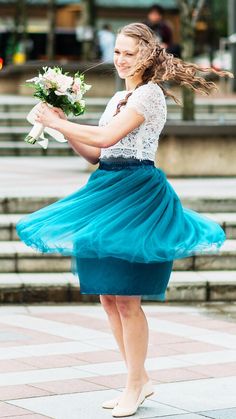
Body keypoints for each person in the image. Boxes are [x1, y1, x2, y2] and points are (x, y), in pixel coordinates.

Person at [16, 23, 231, 418]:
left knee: (128, 300)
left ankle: (135, 384)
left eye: (129, 53)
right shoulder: (119, 95)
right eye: (116, 51)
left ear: (148, 55)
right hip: (106, 189)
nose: (120, 59)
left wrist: (57, 121)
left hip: (137, 195)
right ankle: (139, 378)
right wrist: (58, 122)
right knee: (108, 296)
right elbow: (95, 153)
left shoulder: (149, 95)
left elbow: (106, 138)